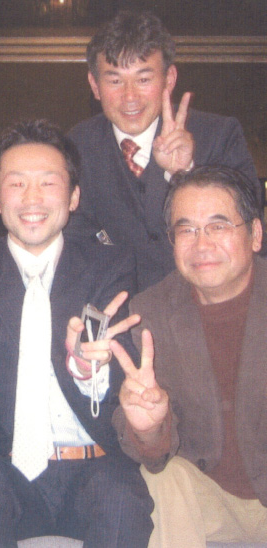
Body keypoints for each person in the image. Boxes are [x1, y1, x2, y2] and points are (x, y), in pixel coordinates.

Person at [0, 119, 153, 548]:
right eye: (16, 184)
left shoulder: (109, 267)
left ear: (74, 197)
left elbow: (120, 384)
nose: (32, 198)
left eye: (48, 183)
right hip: (5, 467)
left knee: (122, 496)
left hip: (93, 464)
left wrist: (87, 368)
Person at [111, 165, 267, 547]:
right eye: (187, 230)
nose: (202, 244)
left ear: (255, 234)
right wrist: (150, 428)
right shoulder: (150, 313)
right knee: (164, 479)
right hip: (210, 499)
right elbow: (151, 449)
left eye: (218, 226)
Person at [67, 10, 260, 292]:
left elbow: (250, 226)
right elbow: (75, 242)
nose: (129, 96)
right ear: (95, 85)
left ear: (169, 79)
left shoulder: (219, 135)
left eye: (144, 79)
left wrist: (185, 173)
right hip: (119, 305)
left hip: (206, 300)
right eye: (115, 81)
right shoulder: (76, 146)